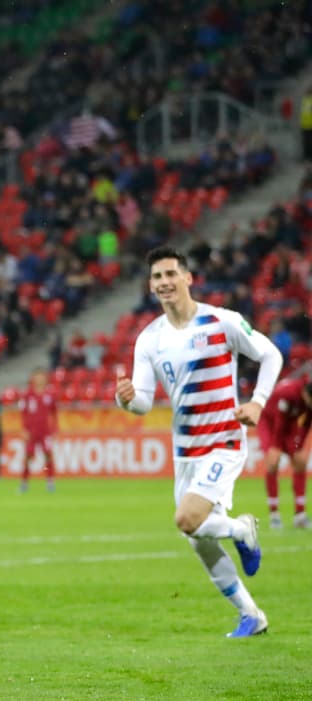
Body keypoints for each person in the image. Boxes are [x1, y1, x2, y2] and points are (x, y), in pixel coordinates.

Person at [116, 245, 282, 638]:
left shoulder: (221, 321)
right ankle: (251, 616)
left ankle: (242, 529)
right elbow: (143, 402)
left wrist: (257, 402)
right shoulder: (149, 339)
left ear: (188, 278)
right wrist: (126, 400)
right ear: (151, 285)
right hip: (185, 451)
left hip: (224, 441)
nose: (164, 282)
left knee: (187, 520)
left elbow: (271, 355)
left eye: (171, 274)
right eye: (157, 277)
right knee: (198, 539)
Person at [258, 376, 312, 529]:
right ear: (306, 395)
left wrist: (299, 445)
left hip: (289, 425)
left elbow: (307, 423)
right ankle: (274, 515)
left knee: (301, 462)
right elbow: (279, 420)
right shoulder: (288, 393)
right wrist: (275, 447)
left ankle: (300, 515)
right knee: (273, 463)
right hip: (269, 423)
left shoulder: (308, 398)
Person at [19, 368, 58, 493]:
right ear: (33, 379)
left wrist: (55, 429)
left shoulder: (49, 395)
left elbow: (54, 413)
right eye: (37, 377)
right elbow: (23, 413)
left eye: (42, 377)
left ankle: (50, 482)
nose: (40, 379)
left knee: (48, 455)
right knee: (28, 456)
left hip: (45, 432)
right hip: (31, 432)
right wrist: (24, 429)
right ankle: (24, 483)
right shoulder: (27, 395)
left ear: (45, 379)